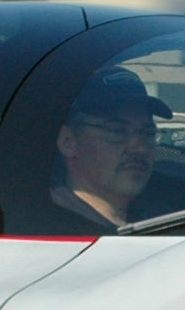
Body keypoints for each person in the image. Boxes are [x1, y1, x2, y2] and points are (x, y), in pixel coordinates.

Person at [53, 68, 167, 228]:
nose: (139, 148)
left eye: (148, 133)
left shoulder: (164, 219)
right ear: (68, 141)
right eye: (117, 131)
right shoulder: (51, 228)